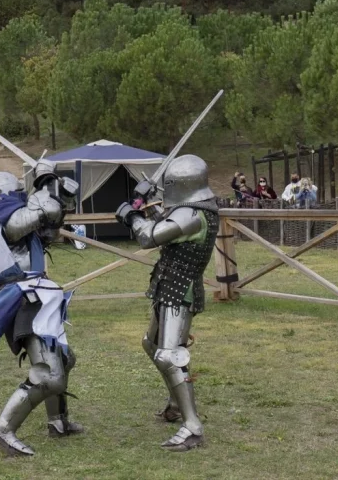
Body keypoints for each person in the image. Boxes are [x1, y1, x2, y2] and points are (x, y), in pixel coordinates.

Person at [0, 163, 82, 456]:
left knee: (63, 359)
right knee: (49, 374)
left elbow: (48, 229)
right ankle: (4, 428)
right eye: (17, 193)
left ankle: (58, 421)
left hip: (37, 294)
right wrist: (43, 183)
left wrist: (60, 196)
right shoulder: (1, 219)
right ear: (3, 196)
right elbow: (38, 214)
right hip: (22, 298)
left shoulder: (9, 218)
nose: (20, 197)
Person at [117, 155, 219, 452]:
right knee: (151, 345)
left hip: (180, 291)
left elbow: (150, 237)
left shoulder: (191, 215)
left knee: (168, 355)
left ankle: (192, 426)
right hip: (168, 286)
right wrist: (149, 200)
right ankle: (176, 404)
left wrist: (131, 216)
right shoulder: (195, 209)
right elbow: (168, 224)